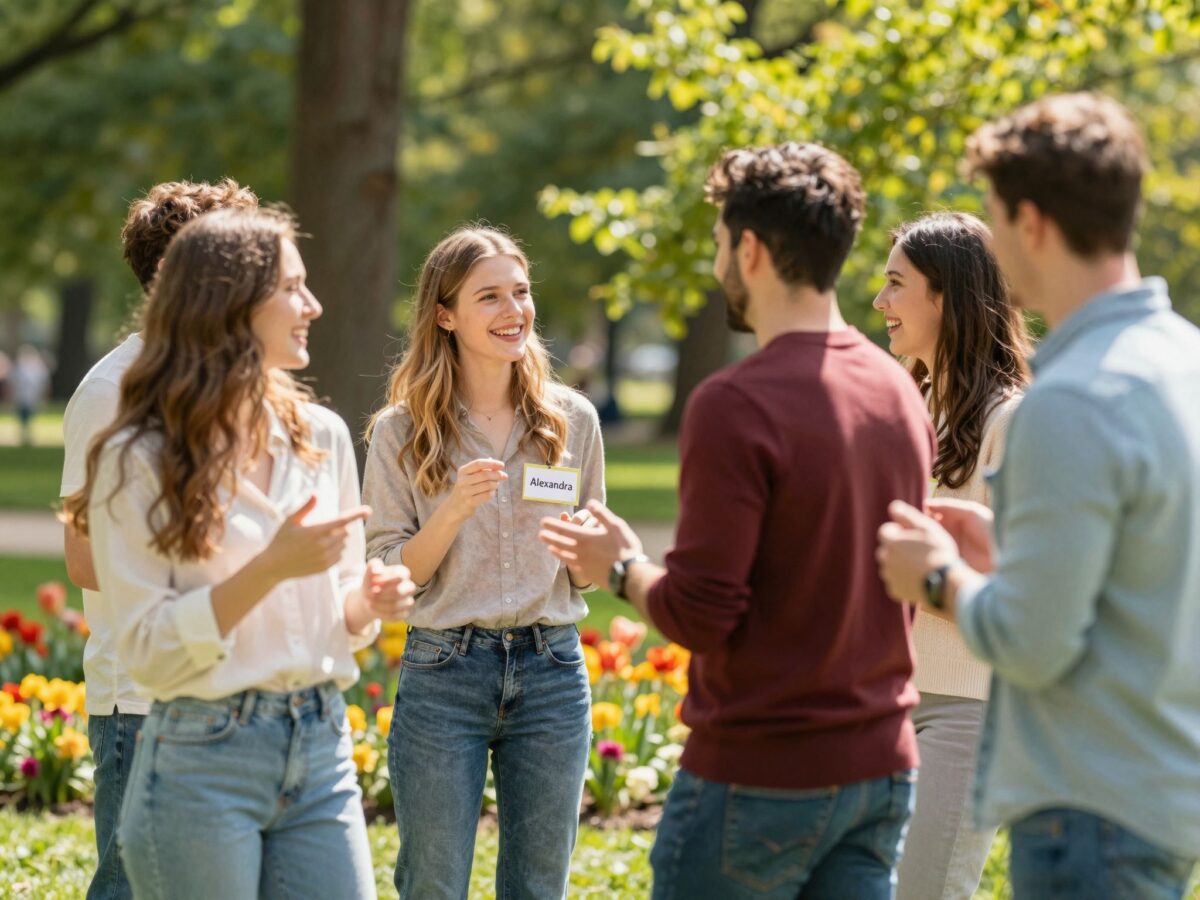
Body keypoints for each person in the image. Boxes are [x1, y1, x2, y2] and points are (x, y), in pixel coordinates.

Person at [539, 143, 934, 898]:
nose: (719, 261)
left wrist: (619, 568)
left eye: (721, 243)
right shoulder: (897, 391)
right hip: (880, 771)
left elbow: (701, 613)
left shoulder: (734, 403)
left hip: (760, 776)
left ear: (749, 250)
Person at [877, 93, 1200, 899]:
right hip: (1164, 789)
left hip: (1086, 804)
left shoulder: (1070, 396)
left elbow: (1032, 640)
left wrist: (938, 575)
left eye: (993, 215)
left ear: (1031, 222)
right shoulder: (1183, 360)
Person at [63, 208, 415, 900]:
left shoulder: (323, 435)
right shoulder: (136, 455)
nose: (313, 306)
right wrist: (270, 568)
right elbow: (149, 651)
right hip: (199, 755)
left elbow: (339, 615)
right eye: (292, 288)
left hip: (319, 743)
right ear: (228, 302)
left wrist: (366, 602)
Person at [361, 225, 605, 899]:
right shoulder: (402, 430)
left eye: (520, 293)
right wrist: (452, 511)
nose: (513, 310)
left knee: (539, 885)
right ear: (445, 315)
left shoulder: (572, 420)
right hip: (444, 672)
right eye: (489, 296)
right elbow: (390, 573)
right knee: (433, 883)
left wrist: (588, 545)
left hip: (552, 672)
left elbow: (586, 575)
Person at [58, 178, 259, 900]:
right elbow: (85, 559)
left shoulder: (244, 382)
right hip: (145, 702)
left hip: (238, 689)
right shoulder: (110, 391)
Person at [873, 211, 1029, 900]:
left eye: (895, 284)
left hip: (967, 705)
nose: (878, 301)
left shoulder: (1012, 420)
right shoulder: (903, 405)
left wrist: (923, 572)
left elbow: (1025, 587)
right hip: (881, 693)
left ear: (946, 296)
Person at [13, 343, 49, 445]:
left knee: (29, 415)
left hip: (32, 397)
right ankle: (24, 434)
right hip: (22, 397)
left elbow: (44, 385)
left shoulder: (39, 369)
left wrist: (44, 397)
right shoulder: (20, 368)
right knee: (23, 416)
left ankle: (27, 434)